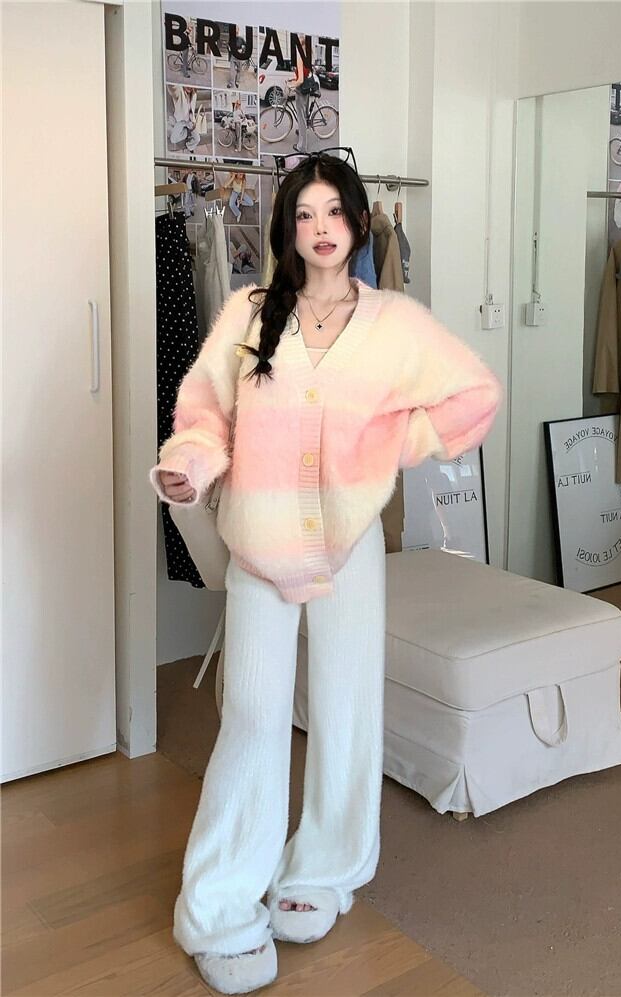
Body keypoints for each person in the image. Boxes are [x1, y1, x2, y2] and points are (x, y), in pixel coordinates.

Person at [149, 152, 502, 994]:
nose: (320, 229)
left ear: (357, 221)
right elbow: (204, 417)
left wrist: (396, 442)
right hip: (259, 548)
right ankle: (220, 905)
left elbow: (474, 394)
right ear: (287, 227)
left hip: (349, 550)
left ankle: (323, 867)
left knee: (346, 712)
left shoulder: (394, 323)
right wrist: (188, 466)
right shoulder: (248, 313)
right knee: (252, 715)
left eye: (333, 212)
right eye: (304, 214)